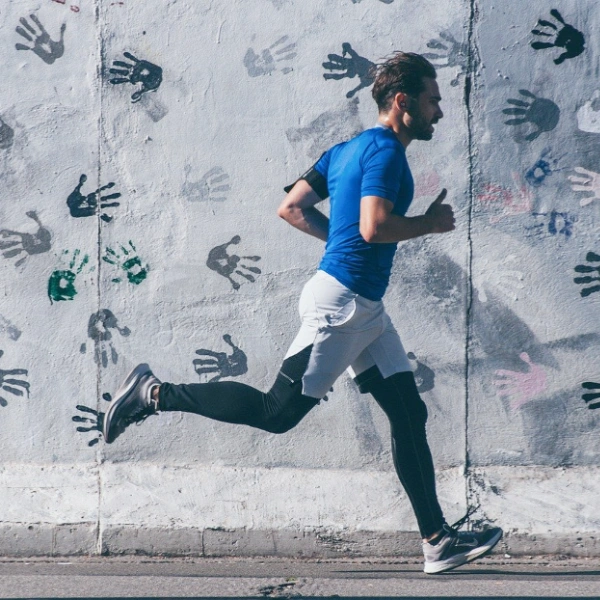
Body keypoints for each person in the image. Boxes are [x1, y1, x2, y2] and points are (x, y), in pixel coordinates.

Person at [102, 52, 503, 574]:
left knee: (408, 411)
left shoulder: (343, 150)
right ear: (402, 102)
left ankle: (437, 541)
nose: (440, 114)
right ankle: (153, 394)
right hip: (343, 306)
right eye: (433, 102)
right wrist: (428, 224)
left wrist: (341, 242)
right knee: (278, 413)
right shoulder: (385, 154)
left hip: (364, 308)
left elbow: (291, 207)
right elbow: (373, 229)